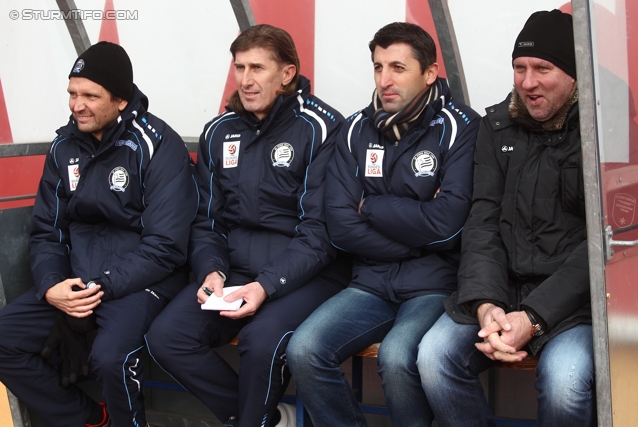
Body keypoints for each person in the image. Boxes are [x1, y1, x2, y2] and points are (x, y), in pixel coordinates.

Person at [145, 24, 350, 427]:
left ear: (287, 74)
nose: (246, 80)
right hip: (236, 269)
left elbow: (320, 233)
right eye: (240, 67)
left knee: (260, 341)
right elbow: (205, 220)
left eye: (258, 68)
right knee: (167, 338)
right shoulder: (219, 131)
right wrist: (212, 271)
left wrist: (266, 285)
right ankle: (262, 419)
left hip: (310, 274)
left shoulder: (322, 127)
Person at [287, 22, 480, 427]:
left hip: (433, 285)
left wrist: (370, 205)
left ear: (429, 74)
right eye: (378, 67)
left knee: (396, 357)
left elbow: (449, 224)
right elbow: (339, 224)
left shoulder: (460, 125)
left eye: (398, 67)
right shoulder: (356, 128)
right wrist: (415, 237)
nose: (385, 80)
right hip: (370, 281)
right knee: (304, 349)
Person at [0, 41, 197, 426]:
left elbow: (166, 247)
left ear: (121, 100)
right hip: (76, 282)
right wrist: (52, 286)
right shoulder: (63, 147)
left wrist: (96, 288)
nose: (77, 105)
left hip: (143, 280)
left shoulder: (158, 145)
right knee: (4, 336)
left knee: (110, 357)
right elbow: (46, 231)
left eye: (91, 95)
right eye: (72, 93)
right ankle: (88, 418)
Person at [417, 10, 594, 426]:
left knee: (565, 384)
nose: (528, 82)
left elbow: (602, 246)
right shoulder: (496, 127)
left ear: (574, 74)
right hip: (501, 293)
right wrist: (485, 305)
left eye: (543, 69)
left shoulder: (601, 131)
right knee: (433, 359)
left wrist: (533, 318)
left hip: (574, 307)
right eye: (519, 68)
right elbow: (483, 222)